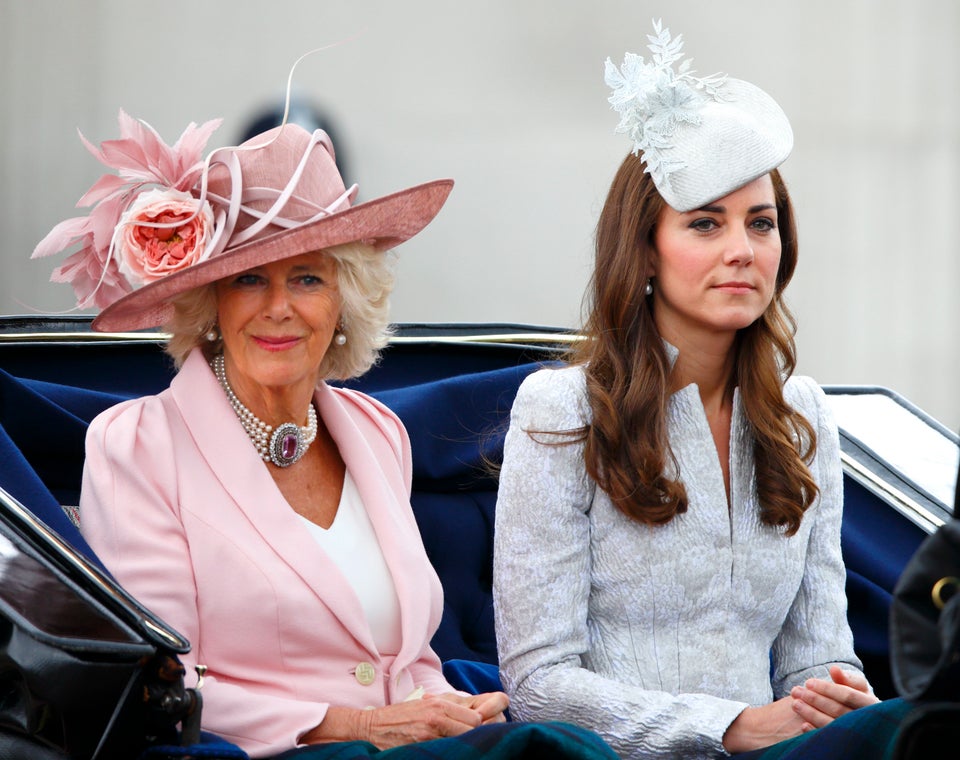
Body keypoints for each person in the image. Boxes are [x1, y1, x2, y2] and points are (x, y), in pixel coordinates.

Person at [33, 104, 618, 760]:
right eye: (248, 278)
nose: (278, 306)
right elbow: (166, 681)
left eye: (307, 278)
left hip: (405, 749)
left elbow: (407, 659)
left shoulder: (378, 434)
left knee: (561, 743)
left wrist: (439, 704)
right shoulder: (136, 445)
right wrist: (358, 727)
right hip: (273, 754)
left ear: (344, 303)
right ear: (211, 303)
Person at [492, 20, 908, 759]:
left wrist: (839, 696)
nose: (742, 251)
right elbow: (538, 682)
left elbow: (818, 656)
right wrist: (733, 725)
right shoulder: (562, 410)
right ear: (645, 251)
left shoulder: (804, 415)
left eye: (761, 223)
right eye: (705, 224)